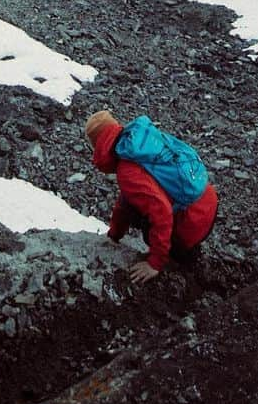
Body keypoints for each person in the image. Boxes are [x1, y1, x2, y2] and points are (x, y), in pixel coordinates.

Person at [85, 109, 218, 285]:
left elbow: (161, 213)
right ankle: (190, 258)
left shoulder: (127, 170)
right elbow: (126, 201)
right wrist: (114, 235)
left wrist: (155, 263)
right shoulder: (137, 144)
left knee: (153, 233)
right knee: (137, 204)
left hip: (192, 222)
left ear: (98, 144)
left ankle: (185, 271)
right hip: (207, 202)